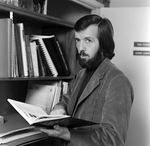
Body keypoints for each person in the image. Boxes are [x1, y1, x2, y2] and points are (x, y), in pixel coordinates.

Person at [37, 14, 134, 146]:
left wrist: (68, 135)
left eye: (88, 40)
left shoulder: (117, 81)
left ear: (103, 44)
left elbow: (114, 139)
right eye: (78, 40)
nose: (81, 48)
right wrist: (59, 108)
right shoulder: (81, 74)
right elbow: (66, 100)